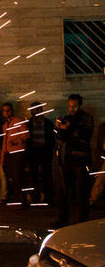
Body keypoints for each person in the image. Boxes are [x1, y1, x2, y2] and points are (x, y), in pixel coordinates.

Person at [53, 94, 94, 227]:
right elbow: (60, 137)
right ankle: (63, 219)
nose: (72, 109)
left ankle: (82, 222)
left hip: (82, 161)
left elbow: (86, 135)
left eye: (75, 106)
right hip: (68, 159)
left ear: (79, 105)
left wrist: (69, 128)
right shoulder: (67, 118)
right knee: (63, 191)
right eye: (70, 106)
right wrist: (59, 128)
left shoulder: (87, 118)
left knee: (82, 193)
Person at [1, 103, 30, 206]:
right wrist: (3, 157)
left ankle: (23, 200)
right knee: (12, 177)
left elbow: (26, 135)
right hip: (10, 154)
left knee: (18, 177)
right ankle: (18, 198)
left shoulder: (18, 121)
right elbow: (5, 141)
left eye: (8, 110)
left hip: (18, 153)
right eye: (4, 110)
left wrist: (16, 140)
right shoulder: (5, 125)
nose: (6, 112)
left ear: (12, 110)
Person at [26, 102, 55, 204]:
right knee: (33, 175)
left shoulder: (48, 123)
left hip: (44, 152)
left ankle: (47, 196)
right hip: (33, 153)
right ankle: (35, 196)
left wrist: (50, 151)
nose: (36, 111)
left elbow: (52, 139)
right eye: (34, 109)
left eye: (38, 109)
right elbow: (27, 140)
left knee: (46, 174)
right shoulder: (28, 123)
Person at [90, 121, 105, 207]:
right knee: (100, 180)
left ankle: (92, 200)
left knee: (100, 180)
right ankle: (92, 200)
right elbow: (99, 144)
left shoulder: (102, 126)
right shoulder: (103, 126)